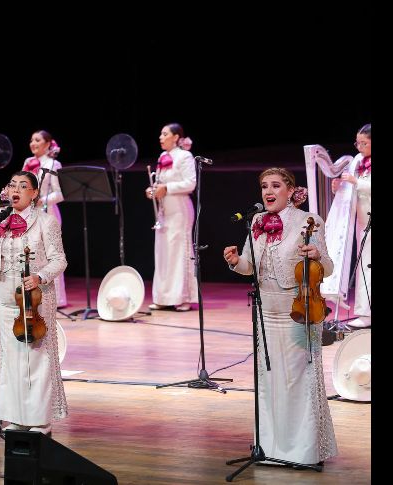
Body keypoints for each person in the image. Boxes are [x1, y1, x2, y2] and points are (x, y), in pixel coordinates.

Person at [223, 168, 337, 466]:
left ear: (290, 191)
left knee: (298, 382)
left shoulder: (308, 221)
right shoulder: (257, 222)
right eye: (264, 186)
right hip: (265, 312)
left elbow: (329, 266)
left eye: (275, 186)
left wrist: (316, 255)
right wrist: (237, 262)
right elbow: (250, 266)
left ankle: (303, 451)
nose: (268, 191)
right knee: (270, 381)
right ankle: (270, 448)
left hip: (298, 311)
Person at [0, 171, 68, 435]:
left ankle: (40, 420)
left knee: (36, 358)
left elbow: (59, 260)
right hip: (6, 298)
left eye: (23, 185)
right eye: (12, 185)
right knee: (12, 359)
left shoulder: (46, 222)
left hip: (36, 300)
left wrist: (39, 277)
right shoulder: (0, 223)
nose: (16, 189)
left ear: (34, 193)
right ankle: (16, 416)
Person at [144, 123, 198, 311]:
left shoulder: (185, 156)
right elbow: (160, 183)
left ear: (175, 137)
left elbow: (190, 183)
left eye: (165, 134)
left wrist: (166, 188)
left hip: (180, 209)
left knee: (179, 251)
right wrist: (153, 190)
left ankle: (182, 298)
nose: (161, 137)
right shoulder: (162, 157)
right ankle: (164, 297)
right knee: (163, 253)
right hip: (164, 210)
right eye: (161, 133)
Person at [331, 123, 371, 328]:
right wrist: (339, 186)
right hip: (363, 221)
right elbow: (349, 188)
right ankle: (365, 313)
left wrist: (357, 182)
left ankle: (367, 314)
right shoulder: (357, 160)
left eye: (364, 143)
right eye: (358, 142)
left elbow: (361, 184)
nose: (359, 147)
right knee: (365, 265)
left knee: (368, 266)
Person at [22, 130, 67, 307]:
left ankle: (57, 299)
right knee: (32, 256)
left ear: (48, 144)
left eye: (37, 140)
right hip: (29, 214)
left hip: (48, 214)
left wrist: (43, 200)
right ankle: (36, 297)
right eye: (32, 140)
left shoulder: (53, 164)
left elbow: (61, 193)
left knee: (52, 256)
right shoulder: (28, 162)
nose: (33, 143)